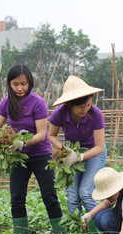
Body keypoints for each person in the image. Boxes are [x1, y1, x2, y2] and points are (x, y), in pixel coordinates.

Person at [0, 65, 63, 234]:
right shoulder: (6, 103)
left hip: (40, 155)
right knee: (17, 198)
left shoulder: (38, 102)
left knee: (49, 195)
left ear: (30, 83)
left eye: (24, 83)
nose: (20, 88)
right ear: (9, 84)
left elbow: (40, 134)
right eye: (15, 84)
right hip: (18, 158)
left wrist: (21, 143)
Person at [48, 76, 107, 222]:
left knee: (86, 192)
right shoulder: (59, 114)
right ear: (69, 105)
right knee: (73, 195)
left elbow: (99, 147)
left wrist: (79, 157)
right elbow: (51, 135)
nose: (85, 109)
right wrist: (65, 151)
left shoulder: (96, 114)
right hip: (72, 153)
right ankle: (77, 231)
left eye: (88, 105)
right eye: (81, 107)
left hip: (94, 153)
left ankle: (98, 230)